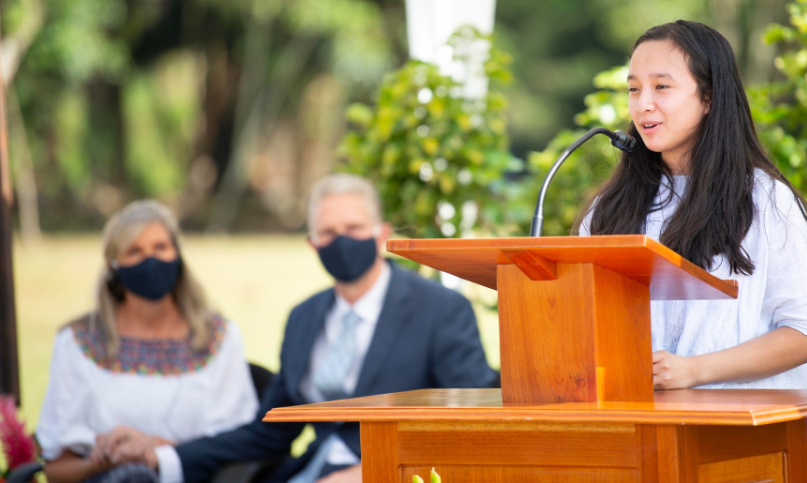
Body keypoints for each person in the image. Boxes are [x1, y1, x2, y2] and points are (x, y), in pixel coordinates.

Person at [123, 173, 496, 483]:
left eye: (354, 227)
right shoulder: (304, 316)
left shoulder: (440, 309)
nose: (342, 240)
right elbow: (268, 433)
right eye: (328, 232)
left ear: (381, 234)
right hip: (309, 470)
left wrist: (371, 472)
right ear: (312, 243)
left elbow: (471, 423)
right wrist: (166, 457)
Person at [579, 20, 807, 390]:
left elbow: (805, 333)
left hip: (735, 432)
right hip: (632, 423)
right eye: (634, 89)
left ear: (708, 98)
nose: (643, 104)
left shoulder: (765, 200)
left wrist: (694, 371)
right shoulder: (610, 208)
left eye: (661, 87)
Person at [35, 201, 258, 483]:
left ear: (177, 255)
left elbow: (241, 446)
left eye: (160, 248)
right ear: (113, 267)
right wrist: (104, 459)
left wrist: (154, 448)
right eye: (135, 251)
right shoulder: (76, 342)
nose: (150, 260)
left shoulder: (219, 337)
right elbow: (56, 468)